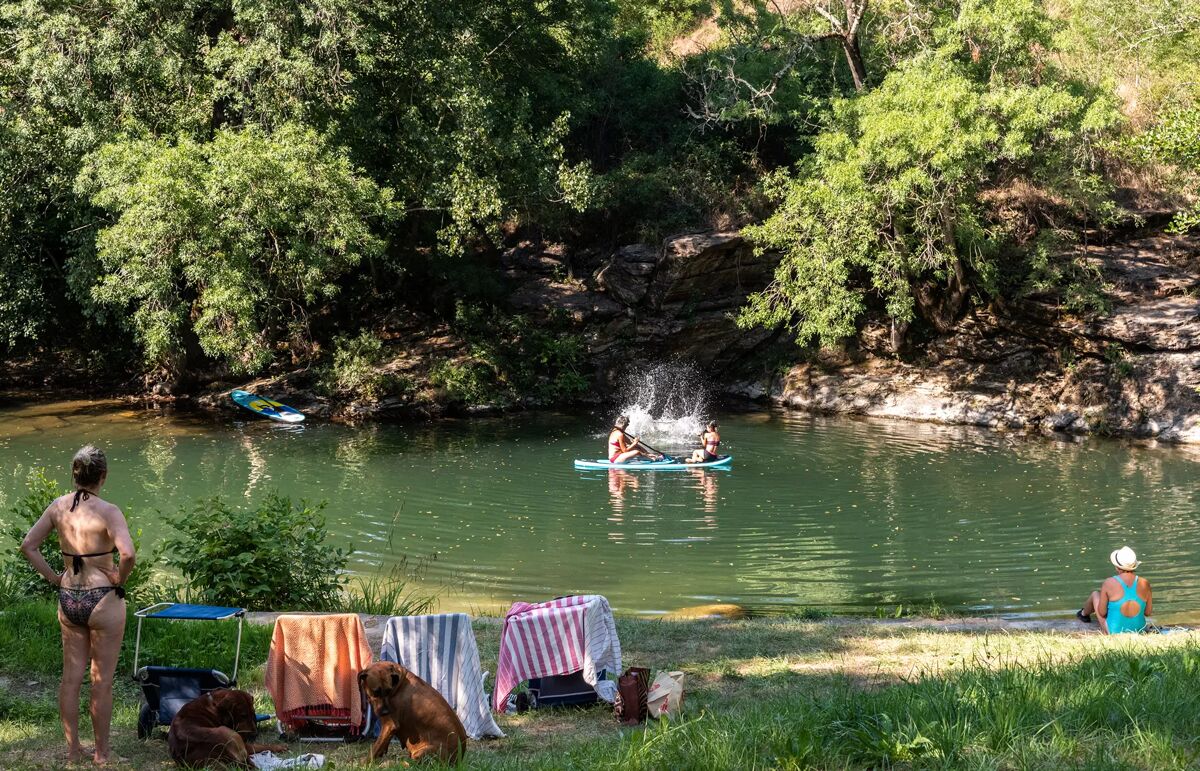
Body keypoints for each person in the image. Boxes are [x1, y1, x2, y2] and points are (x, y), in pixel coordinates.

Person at [20, 446, 136, 765]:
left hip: (69, 597)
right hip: (102, 599)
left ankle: (73, 752)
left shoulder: (58, 506)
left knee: (71, 678)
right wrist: (118, 579)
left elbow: (28, 545)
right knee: (102, 680)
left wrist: (55, 579)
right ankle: (101, 754)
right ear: (103, 476)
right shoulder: (108, 511)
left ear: (75, 475)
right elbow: (128, 555)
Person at [1077, 546, 1152, 635]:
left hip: (1114, 632)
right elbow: (1148, 612)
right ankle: (1084, 614)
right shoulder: (1145, 583)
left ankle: (1083, 614)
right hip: (1140, 631)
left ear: (1117, 567)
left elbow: (1102, 613)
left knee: (1095, 594)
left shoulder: (1109, 582)